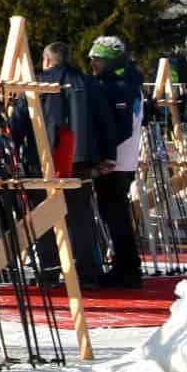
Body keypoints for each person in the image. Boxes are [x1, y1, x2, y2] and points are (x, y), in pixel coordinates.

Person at [36, 40, 110, 285]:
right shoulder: (88, 83)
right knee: (80, 217)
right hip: (81, 158)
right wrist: (107, 155)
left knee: (45, 216)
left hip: (45, 156)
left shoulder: (38, 82)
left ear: (47, 60)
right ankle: (86, 272)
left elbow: (23, 118)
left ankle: (49, 270)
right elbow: (104, 120)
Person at [87, 34, 147, 288]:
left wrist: (104, 156)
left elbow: (120, 128)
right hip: (121, 161)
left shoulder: (120, 87)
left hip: (116, 163)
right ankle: (126, 265)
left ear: (111, 61)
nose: (92, 65)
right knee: (115, 215)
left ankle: (127, 269)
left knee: (116, 216)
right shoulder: (125, 83)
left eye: (97, 60)